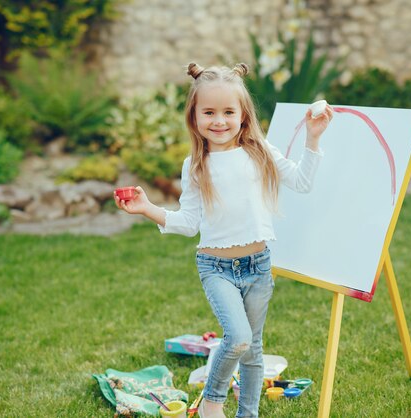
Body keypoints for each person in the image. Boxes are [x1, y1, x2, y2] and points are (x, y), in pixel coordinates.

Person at [115, 62, 333, 418]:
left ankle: (248, 414)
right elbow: (188, 223)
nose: (219, 121)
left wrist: (313, 138)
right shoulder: (196, 165)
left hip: (259, 265)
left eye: (228, 112)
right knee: (239, 338)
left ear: (243, 115)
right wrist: (148, 208)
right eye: (209, 112)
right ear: (194, 116)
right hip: (216, 267)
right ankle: (212, 402)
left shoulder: (259, 150)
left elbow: (302, 182)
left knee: (253, 350)